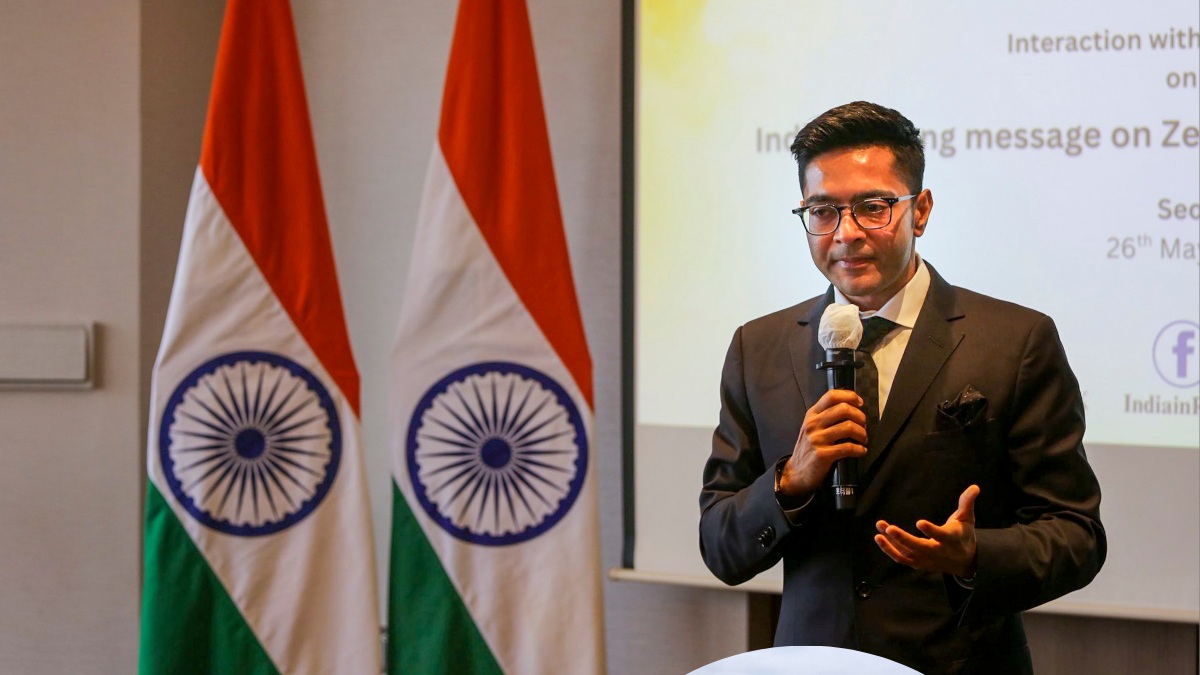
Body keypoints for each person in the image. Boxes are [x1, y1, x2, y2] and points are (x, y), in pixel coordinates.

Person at [698, 101, 1105, 674]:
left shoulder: (1016, 341)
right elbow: (720, 545)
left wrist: (975, 555)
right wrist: (790, 481)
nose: (846, 234)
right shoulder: (758, 347)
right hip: (814, 662)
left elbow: (1077, 535)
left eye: (873, 207)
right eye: (822, 211)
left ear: (922, 210)